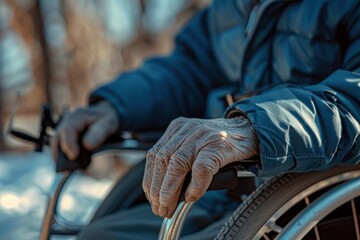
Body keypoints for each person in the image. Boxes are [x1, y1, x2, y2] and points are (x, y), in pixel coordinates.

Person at [52, 0, 360, 239]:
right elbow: (191, 70)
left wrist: (251, 127)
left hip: (315, 206)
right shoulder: (232, 7)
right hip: (228, 194)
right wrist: (115, 107)